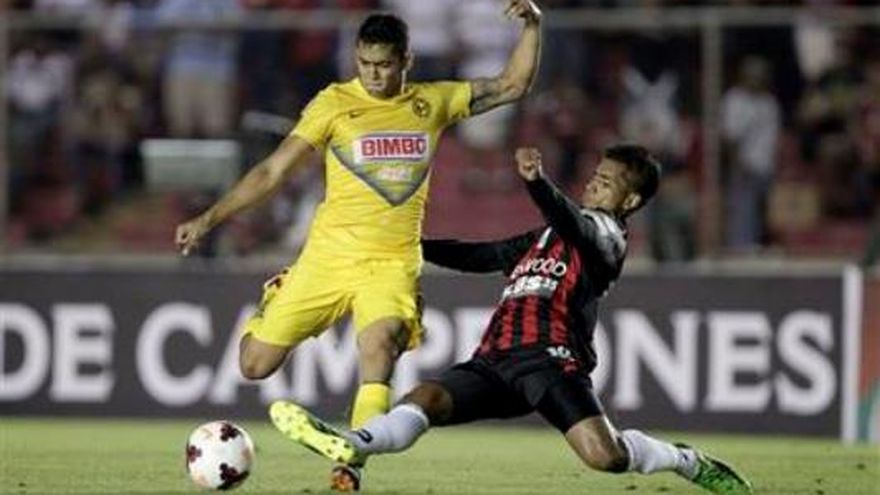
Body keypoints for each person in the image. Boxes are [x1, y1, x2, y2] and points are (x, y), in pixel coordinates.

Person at [174, 1, 543, 491]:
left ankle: (350, 463)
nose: (373, 74)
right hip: (328, 257)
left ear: (406, 60)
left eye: (384, 65)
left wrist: (533, 24)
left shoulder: (432, 102)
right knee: (254, 365)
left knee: (380, 345)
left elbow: (513, 84)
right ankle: (276, 296)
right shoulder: (332, 103)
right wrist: (209, 218)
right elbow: (272, 171)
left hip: (391, 263)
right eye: (365, 63)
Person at [269, 145, 754, 495]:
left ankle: (685, 460)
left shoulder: (608, 239)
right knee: (427, 398)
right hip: (495, 360)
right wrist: (407, 245)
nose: (593, 183)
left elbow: (575, 222)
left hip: (551, 361)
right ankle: (352, 442)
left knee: (605, 457)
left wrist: (537, 182)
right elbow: (481, 255)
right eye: (595, 175)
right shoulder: (543, 238)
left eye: (607, 182)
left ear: (629, 202)